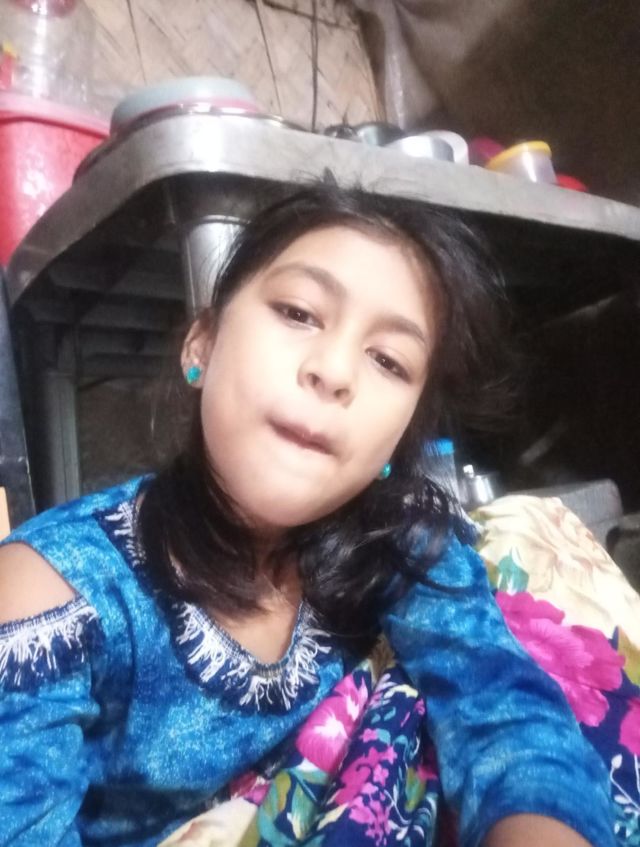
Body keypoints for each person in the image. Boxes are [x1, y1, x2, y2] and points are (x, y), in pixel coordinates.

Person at [0, 183, 615, 847]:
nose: (334, 370)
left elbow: (506, 718)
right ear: (202, 344)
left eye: (388, 360)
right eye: (298, 312)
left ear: (402, 437)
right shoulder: (55, 594)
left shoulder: (400, 544)